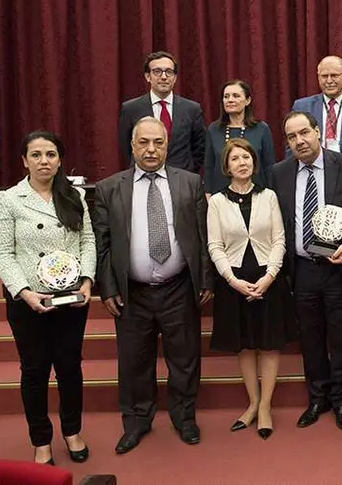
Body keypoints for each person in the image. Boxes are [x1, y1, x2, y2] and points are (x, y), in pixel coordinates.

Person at [94, 117, 214, 454]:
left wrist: (205, 279)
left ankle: (184, 417)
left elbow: (203, 238)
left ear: (167, 144)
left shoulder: (190, 183)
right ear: (132, 146)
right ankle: (136, 422)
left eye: (157, 142)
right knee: (134, 361)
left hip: (179, 288)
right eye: (143, 142)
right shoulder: (109, 188)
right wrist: (108, 288)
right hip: (132, 293)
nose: (150, 149)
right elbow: (102, 245)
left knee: (185, 358)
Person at [0, 131, 95, 465]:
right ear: (24, 161)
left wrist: (87, 281)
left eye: (50, 154)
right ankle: (41, 441)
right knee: (34, 371)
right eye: (36, 155)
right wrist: (23, 291)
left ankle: (72, 431)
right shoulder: (8, 199)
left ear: (60, 159)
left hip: (70, 299)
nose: (44, 161)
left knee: (69, 367)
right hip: (29, 301)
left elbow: (88, 241)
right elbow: (2, 253)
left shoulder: (74, 195)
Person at [268, 111, 342, 431]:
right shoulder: (278, 173)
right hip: (302, 269)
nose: (299, 141)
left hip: (339, 266)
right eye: (291, 137)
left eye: (304, 133)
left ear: (318, 132)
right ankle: (318, 398)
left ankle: (341, 401)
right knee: (311, 338)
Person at [207, 139, 297, 439]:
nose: (242, 162)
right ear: (227, 166)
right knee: (244, 345)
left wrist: (270, 277)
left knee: (269, 344)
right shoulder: (217, 202)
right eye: (235, 159)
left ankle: (266, 407)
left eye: (247, 157)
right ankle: (253, 403)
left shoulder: (268, 196)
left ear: (254, 163)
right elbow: (214, 246)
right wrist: (232, 280)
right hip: (234, 282)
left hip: (267, 280)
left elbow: (279, 241)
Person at [118, 51, 206, 173]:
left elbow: (199, 148)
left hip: (181, 179)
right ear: (148, 76)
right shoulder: (131, 108)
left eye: (169, 72)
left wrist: (188, 171)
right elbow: (126, 147)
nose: (164, 77)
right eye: (157, 71)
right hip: (143, 176)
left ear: (175, 78)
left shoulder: (192, 109)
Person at [204, 79, 275, 195]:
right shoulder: (213, 129)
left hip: (256, 195)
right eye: (226, 96)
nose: (230, 100)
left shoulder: (261, 129)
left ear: (247, 100)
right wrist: (208, 194)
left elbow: (269, 167)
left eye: (236, 96)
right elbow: (208, 167)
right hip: (221, 197)